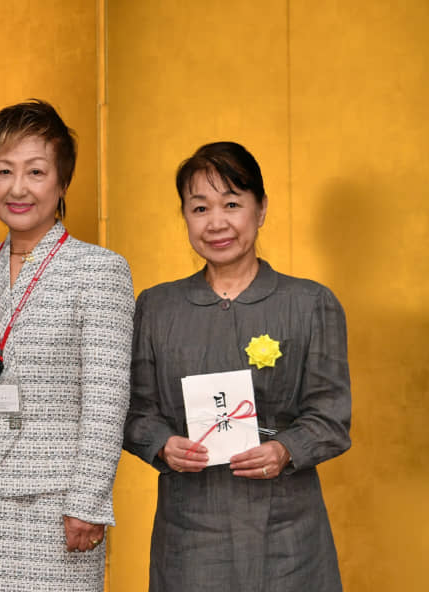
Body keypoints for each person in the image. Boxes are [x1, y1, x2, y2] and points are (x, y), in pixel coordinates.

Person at [123, 141, 351, 591]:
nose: (216, 222)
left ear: (261, 209)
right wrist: (164, 445)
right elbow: (133, 411)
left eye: (232, 203)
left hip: (288, 536)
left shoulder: (309, 304)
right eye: (200, 207)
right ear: (185, 217)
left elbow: (331, 417)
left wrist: (285, 450)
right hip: (190, 534)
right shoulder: (156, 307)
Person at [0, 99, 134, 591]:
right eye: (3, 171)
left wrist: (87, 501)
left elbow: (106, 400)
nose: (17, 188)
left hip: (59, 508)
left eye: (36, 171)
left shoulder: (100, 270)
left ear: (62, 183)